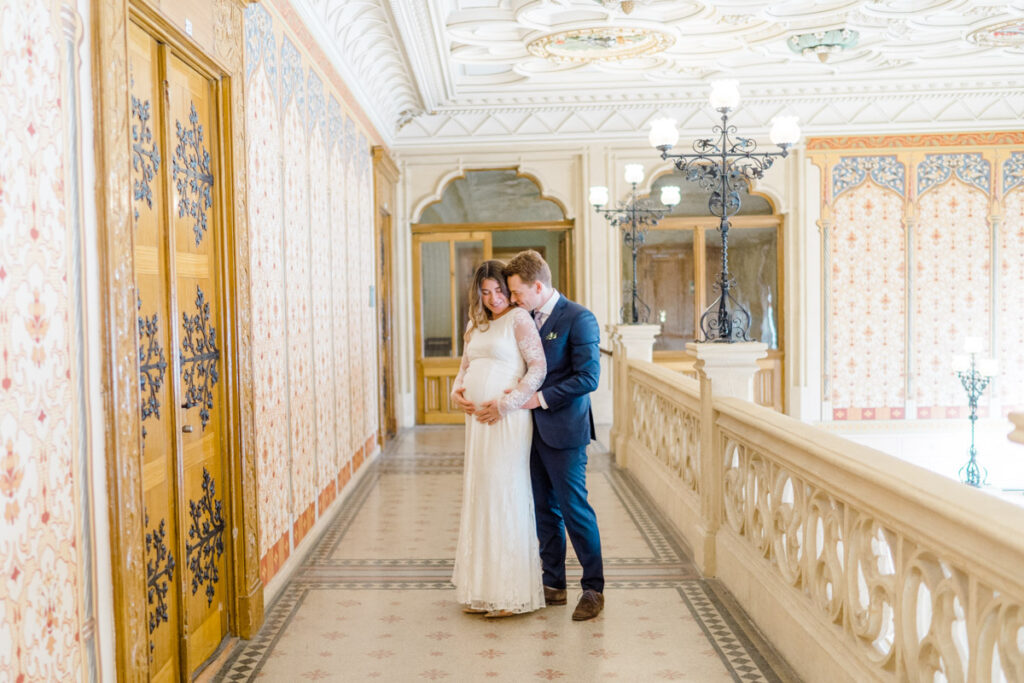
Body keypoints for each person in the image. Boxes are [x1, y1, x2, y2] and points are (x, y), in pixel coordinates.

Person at [502, 250, 605, 621]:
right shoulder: (522, 318)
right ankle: (554, 583)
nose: (513, 299)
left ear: (538, 286)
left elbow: (588, 377)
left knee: (575, 511)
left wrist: (539, 399)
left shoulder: (579, 318)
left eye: (517, 292)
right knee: (544, 510)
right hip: (528, 432)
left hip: (564, 429)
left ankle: (593, 588)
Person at [450, 260, 547, 617]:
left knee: (504, 493)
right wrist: (456, 392)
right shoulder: (475, 326)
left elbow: (538, 368)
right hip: (477, 421)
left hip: (507, 420)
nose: (493, 299)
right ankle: (483, 590)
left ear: (509, 291)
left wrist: (506, 403)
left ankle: (511, 594)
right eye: (485, 292)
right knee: (481, 495)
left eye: (499, 291)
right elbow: (464, 368)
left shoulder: (519, 320)